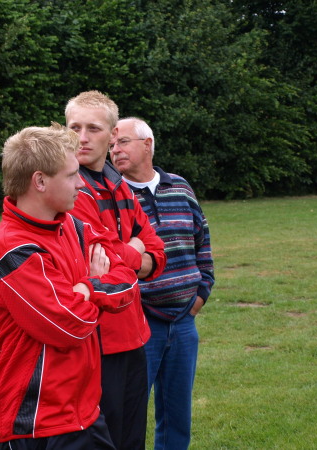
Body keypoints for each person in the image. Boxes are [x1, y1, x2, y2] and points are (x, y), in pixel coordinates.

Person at [0, 123, 139, 449]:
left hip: (85, 412)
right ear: (39, 181)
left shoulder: (74, 226)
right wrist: (95, 284)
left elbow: (128, 280)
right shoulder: (14, 248)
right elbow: (70, 325)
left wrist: (85, 289)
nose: (81, 183)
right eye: (71, 175)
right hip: (37, 423)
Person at [65, 91, 167, 449]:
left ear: (112, 136)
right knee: (100, 440)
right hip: (94, 340)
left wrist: (131, 255)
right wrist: (135, 249)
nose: (82, 137)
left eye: (93, 128)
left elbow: (157, 254)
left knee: (132, 439)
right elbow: (101, 254)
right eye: (74, 127)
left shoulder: (120, 185)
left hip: (134, 335)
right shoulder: (70, 188)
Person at [111, 117, 215, 450]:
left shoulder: (180, 187)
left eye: (123, 142)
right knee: (128, 417)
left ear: (148, 144)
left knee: (177, 418)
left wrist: (201, 293)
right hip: (139, 323)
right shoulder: (113, 195)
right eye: (112, 145)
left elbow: (202, 240)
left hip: (184, 321)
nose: (115, 150)